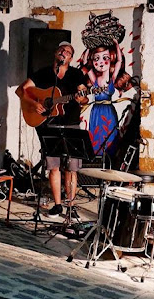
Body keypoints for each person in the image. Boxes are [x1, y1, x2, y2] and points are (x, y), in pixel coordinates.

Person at [15, 41, 89, 218]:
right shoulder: (44, 73)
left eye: (68, 52)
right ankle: (57, 205)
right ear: (56, 53)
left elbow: (84, 97)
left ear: (71, 58)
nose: (64, 52)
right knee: (53, 166)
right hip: (49, 125)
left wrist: (81, 99)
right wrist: (34, 104)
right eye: (61, 49)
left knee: (71, 168)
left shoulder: (76, 74)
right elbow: (21, 90)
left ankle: (70, 206)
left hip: (70, 123)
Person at [80, 40, 123, 157]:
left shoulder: (112, 78)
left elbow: (119, 61)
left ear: (111, 59)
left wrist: (116, 45)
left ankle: (109, 160)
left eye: (105, 58)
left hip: (109, 111)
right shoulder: (94, 80)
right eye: (96, 59)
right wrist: (89, 48)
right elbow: (85, 63)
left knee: (110, 135)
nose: (101, 62)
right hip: (96, 111)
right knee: (96, 136)